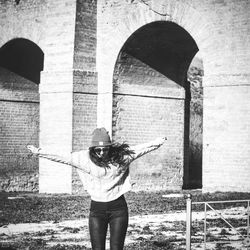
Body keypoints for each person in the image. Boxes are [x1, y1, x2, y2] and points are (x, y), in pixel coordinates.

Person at [27, 127, 167, 250]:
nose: (101, 153)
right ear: (93, 149)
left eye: (105, 149)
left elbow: (140, 149)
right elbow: (62, 157)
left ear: (110, 148)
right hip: (97, 211)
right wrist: (39, 152)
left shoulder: (121, 158)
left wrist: (157, 142)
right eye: (98, 150)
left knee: (117, 248)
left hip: (118, 209)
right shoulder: (84, 159)